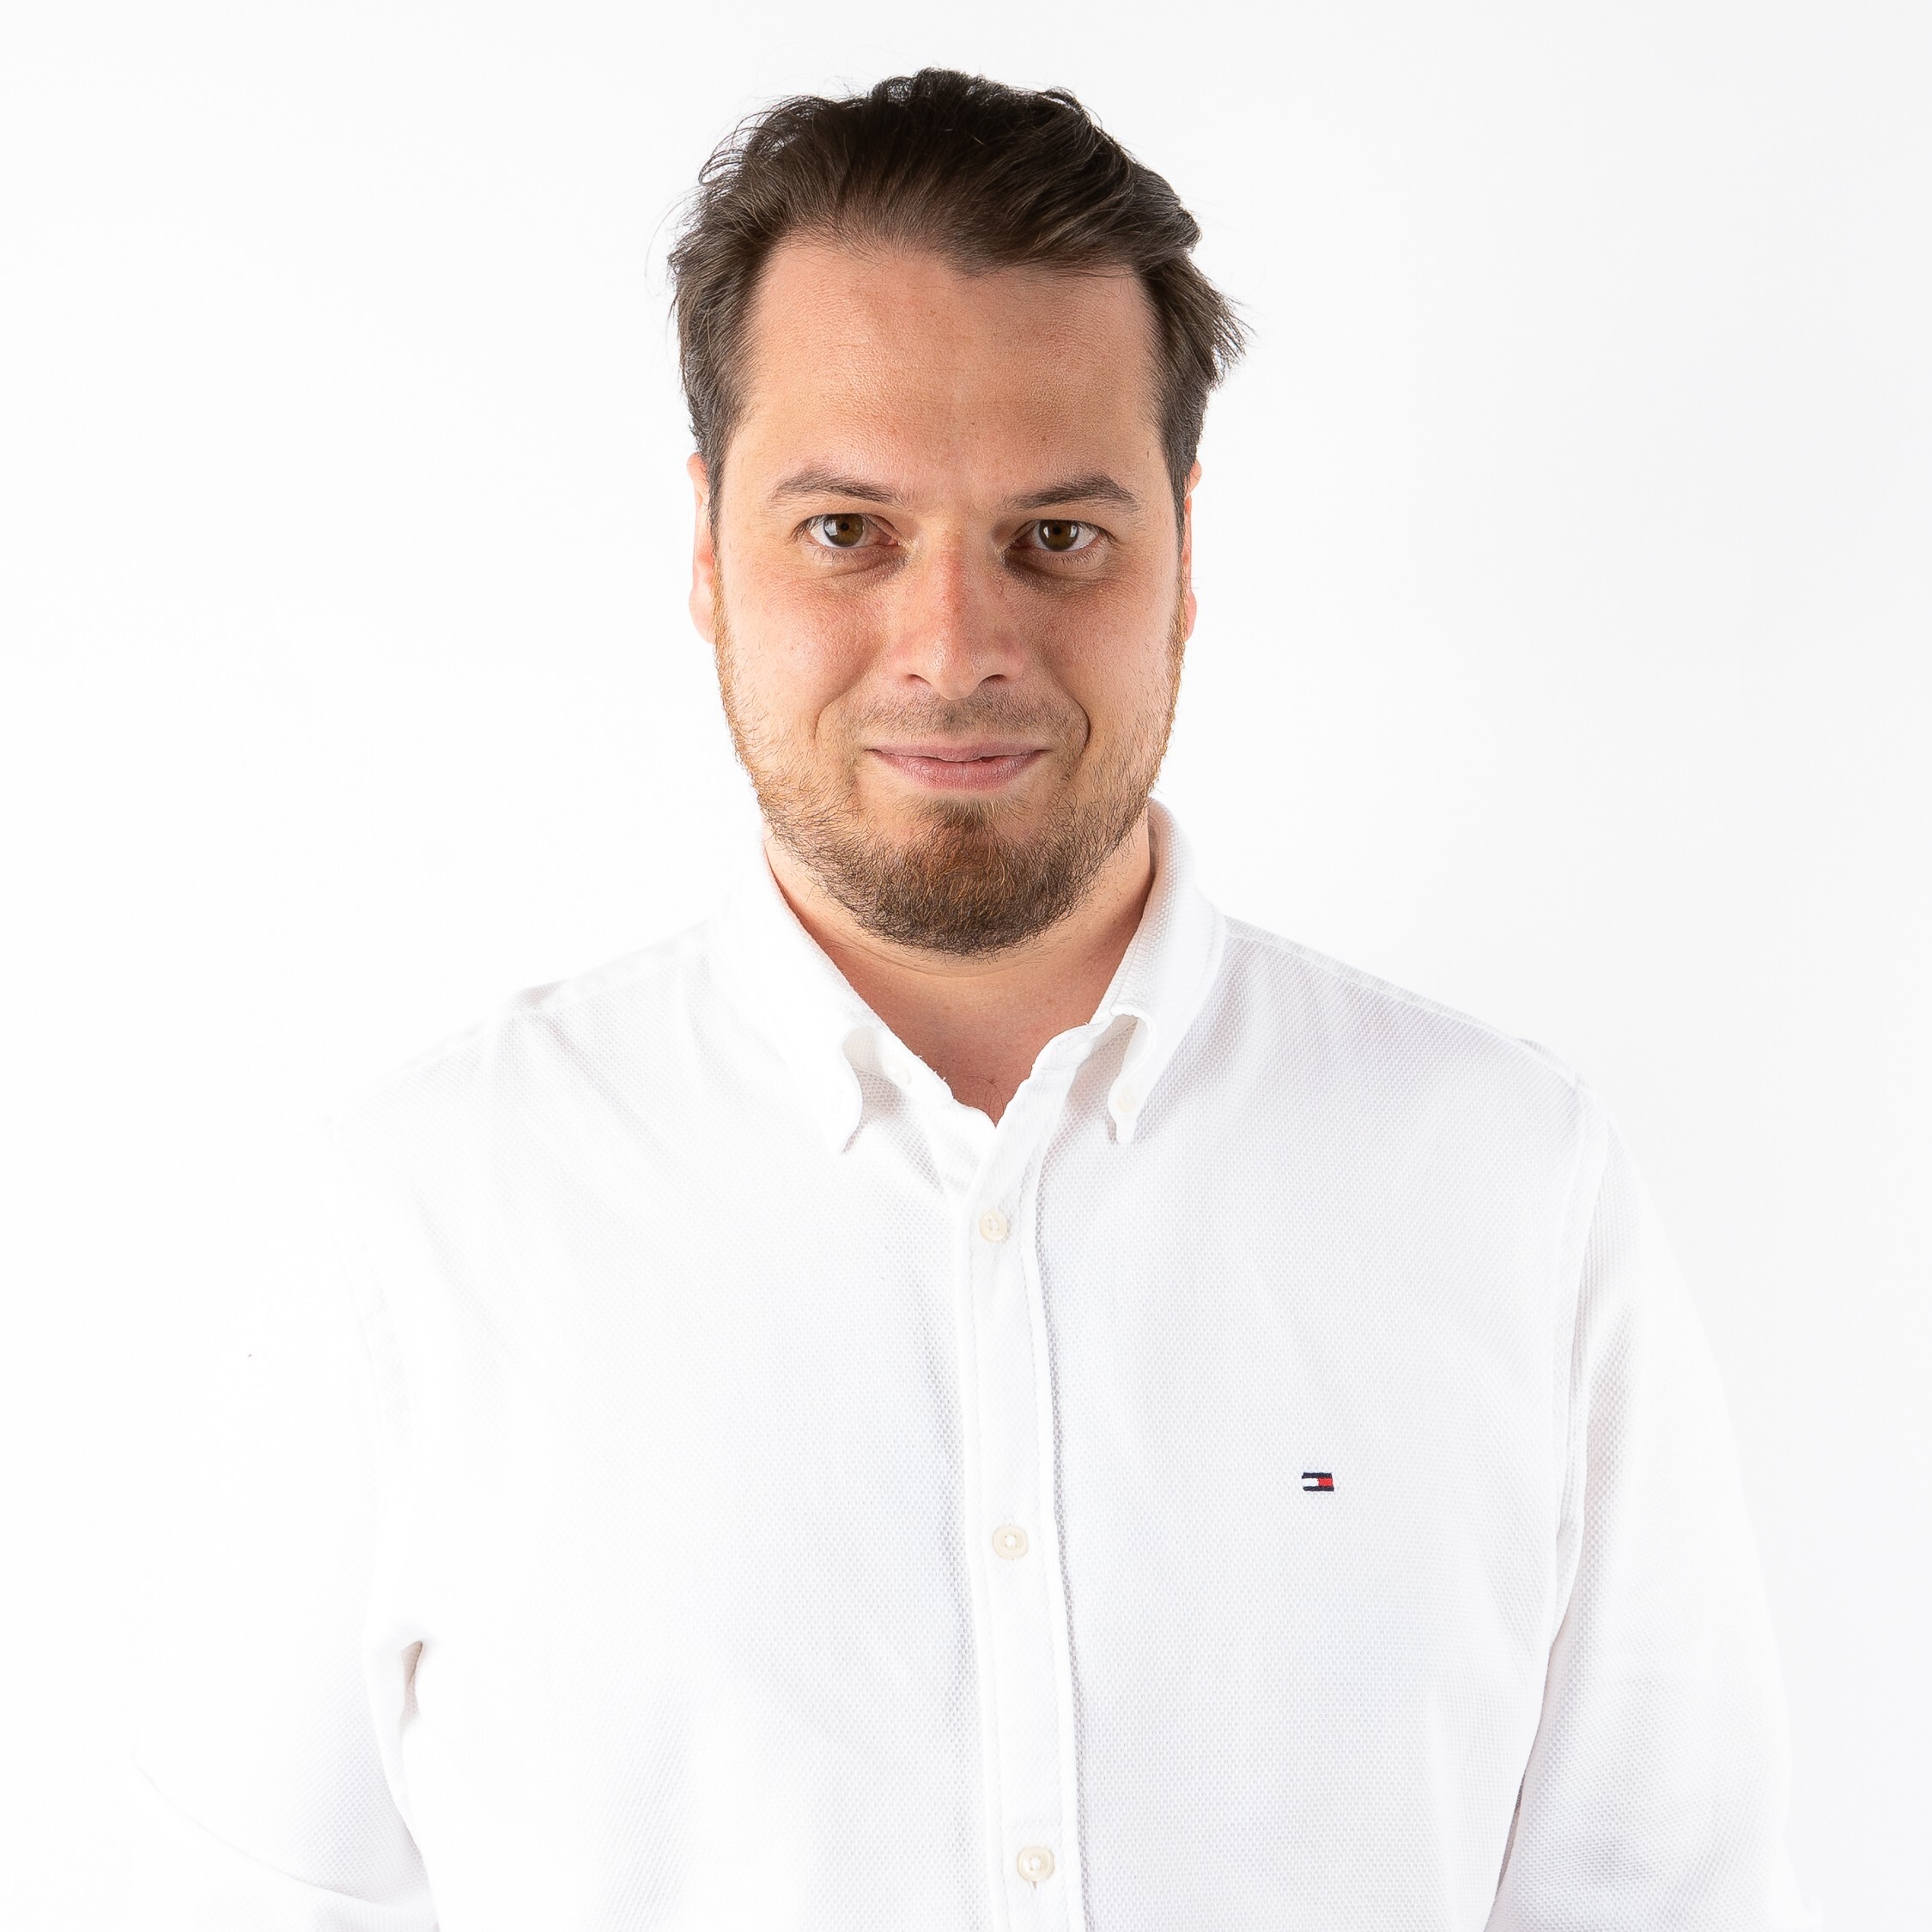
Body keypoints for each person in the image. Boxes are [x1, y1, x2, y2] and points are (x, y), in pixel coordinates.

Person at [123, 68, 1817, 1931]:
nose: (954, 649)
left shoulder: (1510, 1184)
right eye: (847, 531)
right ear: (706, 553)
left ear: (1183, 557)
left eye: (1056, 537)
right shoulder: (421, 1219)